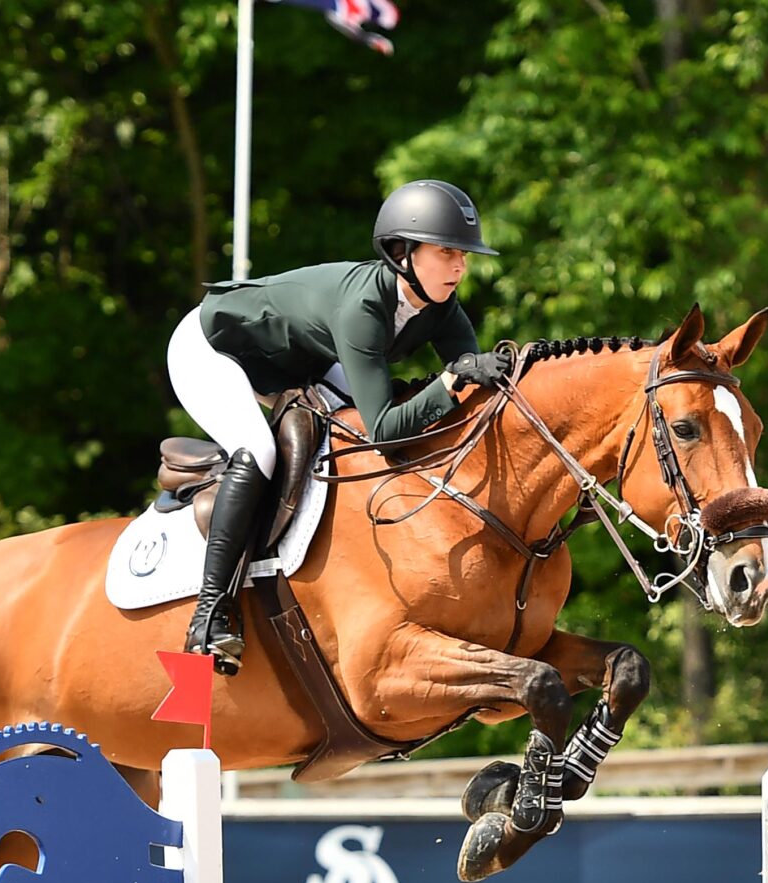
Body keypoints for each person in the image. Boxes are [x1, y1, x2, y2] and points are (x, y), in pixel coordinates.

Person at [166, 179, 512, 673]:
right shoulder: (363, 309)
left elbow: (466, 393)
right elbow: (389, 432)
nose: (460, 265)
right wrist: (452, 379)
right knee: (259, 450)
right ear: (402, 253)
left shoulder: (443, 309)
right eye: (446, 251)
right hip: (214, 348)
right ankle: (209, 615)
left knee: (345, 428)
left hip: (296, 359)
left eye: (464, 254)